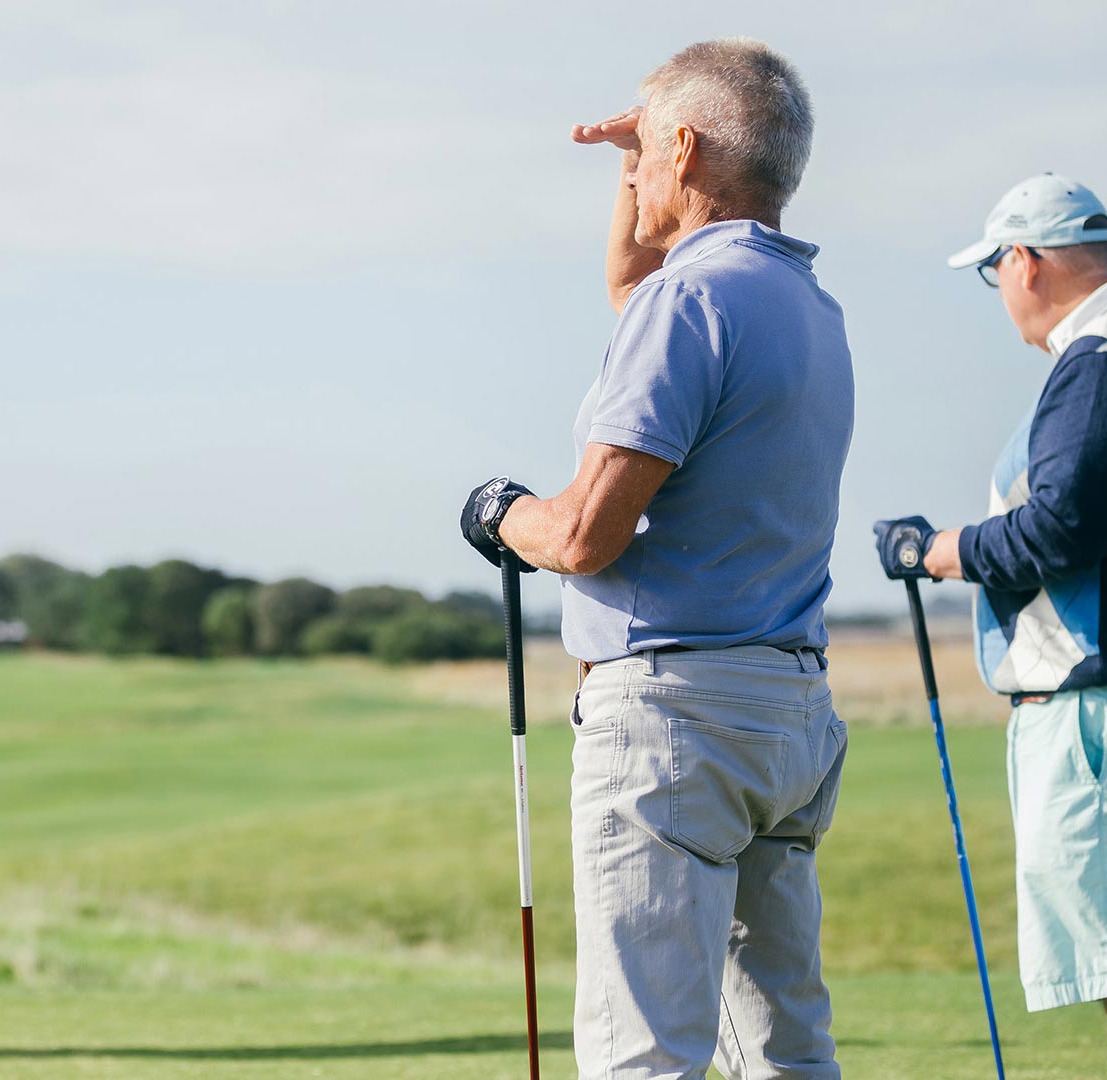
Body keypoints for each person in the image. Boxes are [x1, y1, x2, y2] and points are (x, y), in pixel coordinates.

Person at [460, 38, 853, 1079]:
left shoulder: (690, 305)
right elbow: (637, 281)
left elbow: (586, 534)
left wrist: (503, 514)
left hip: (677, 722)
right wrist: (633, 173)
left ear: (684, 150)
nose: (630, 169)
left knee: (645, 1058)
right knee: (784, 1052)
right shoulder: (805, 304)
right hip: (788, 721)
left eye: (643, 153)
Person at [876, 174, 1107, 1080]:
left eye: (994, 269)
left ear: (1024, 261)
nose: (998, 291)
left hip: (1106, 707)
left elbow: (1063, 528)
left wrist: (938, 550)